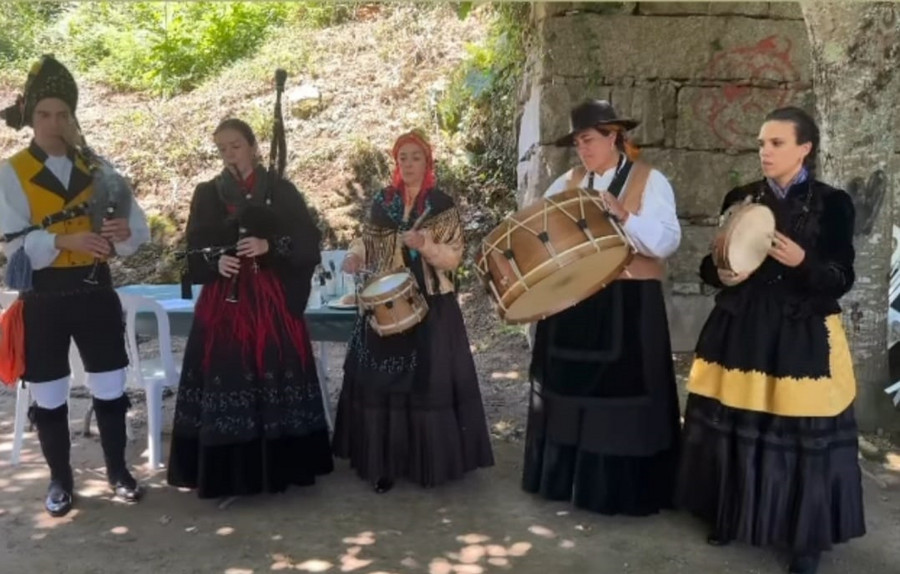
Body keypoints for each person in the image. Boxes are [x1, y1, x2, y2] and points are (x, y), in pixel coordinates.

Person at [676, 107, 865, 574]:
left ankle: (804, 539)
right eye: (762, 143)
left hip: (801, 333)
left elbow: (841, 277)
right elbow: (712, 265)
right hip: (741, 328)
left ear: (805, 148)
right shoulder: (740, 198)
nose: (765, 151)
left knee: (798, 434)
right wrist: (721, 271)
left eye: (777, 143)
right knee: (734, 422)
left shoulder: (832, 203)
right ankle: (729, 514)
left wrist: (804, 261)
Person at [0, 55, 151, 516]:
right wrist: (64, 238)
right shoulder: (11, 172)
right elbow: (11, 243)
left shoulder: (99, 168)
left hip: (95, 289)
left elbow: (135, 226)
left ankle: (118, 472)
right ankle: (60, 481)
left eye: (62, 114)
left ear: (73, 116)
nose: (53, 123)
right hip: (43, 297)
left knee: (109, 385)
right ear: (30, 118)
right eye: (44, 114)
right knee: (49, 393)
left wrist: (125, 233)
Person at [522, 99, 682, 516]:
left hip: (629, 304)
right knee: (567, 388)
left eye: (589, 140)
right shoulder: (567, 182)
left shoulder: (651, 181)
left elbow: (666, 242)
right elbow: (542, 233)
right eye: (577, 142)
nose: (583, 149)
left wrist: (625, 215)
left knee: (622, 395)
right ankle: (564, 480)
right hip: (574, 304)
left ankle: (618, 491)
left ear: (614, 136)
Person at [167, 118, 333, 499]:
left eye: (236, 146)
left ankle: (282, 468)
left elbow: (309, 241)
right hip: (224, 305)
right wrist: (214, 263)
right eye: (222, 148)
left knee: (275, 370)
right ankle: (231, 475)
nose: (229, 155)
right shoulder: (207, 193)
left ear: (254, 147)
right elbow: (193, 247)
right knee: (229, 372)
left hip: (271, 301)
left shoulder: (280, 190)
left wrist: (269, 247)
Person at [333, 130, 494, 493]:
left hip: (432, 304)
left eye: (415, 157)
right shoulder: (382, 201)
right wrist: (355, 254)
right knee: (385, 385)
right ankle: (385, 464)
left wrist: (427, 244)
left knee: (427, 383)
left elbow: (454, 256)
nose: (407, 164)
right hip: (386, 301)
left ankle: (430, 463)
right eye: (402, 158)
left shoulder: (440, 205)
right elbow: (366, 240)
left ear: (427, 162)